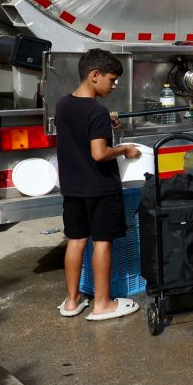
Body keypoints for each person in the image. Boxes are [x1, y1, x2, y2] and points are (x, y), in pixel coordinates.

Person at [56, 50, 143, 322]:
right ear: (95, 75)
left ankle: (72, 301)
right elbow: (98, 153)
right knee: (103, 243)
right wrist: (124, 149)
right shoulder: (97, 111)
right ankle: (102, 304)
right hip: (99, 189)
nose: (114, 85)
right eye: (112, 79)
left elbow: (80, 135)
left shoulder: (63, 104)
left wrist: (107, 126)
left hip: (72, 187)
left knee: (76, 240)